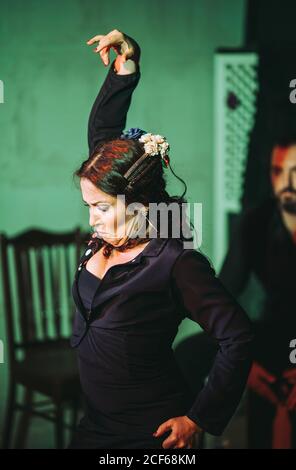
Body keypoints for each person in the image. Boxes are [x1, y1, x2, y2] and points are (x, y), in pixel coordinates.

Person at [68, 29, 253, 449]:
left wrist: (198, 418)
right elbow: (104, 140)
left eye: (100, 207)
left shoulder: (174, 260)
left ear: (137, 204)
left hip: (150, 435)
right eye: (88, 206)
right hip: (95, 425)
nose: (92, 220)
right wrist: (126, 67)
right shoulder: (112, 226)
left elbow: (237, 336)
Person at [219, 135, 296, 448]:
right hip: (273, 343)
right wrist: (243, 365)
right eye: (277, 171)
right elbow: (220, 298)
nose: (285, 182)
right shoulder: (257, 221)